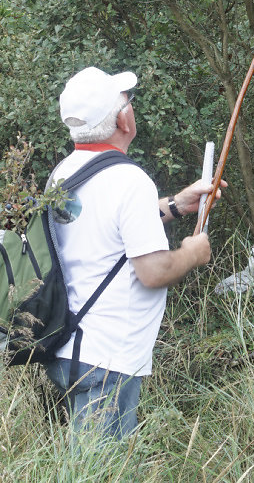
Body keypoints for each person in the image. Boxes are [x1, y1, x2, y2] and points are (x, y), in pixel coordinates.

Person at [46, 65, 221, 442]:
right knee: (102, 470)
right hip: (107, 357)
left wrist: (176, 204)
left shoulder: (63, 173)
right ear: (124, 119)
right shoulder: (129, 180)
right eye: (128, 101)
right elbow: (153, 271)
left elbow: (103, 228)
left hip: (68, 346)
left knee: (89, 463)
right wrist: (193, 252)